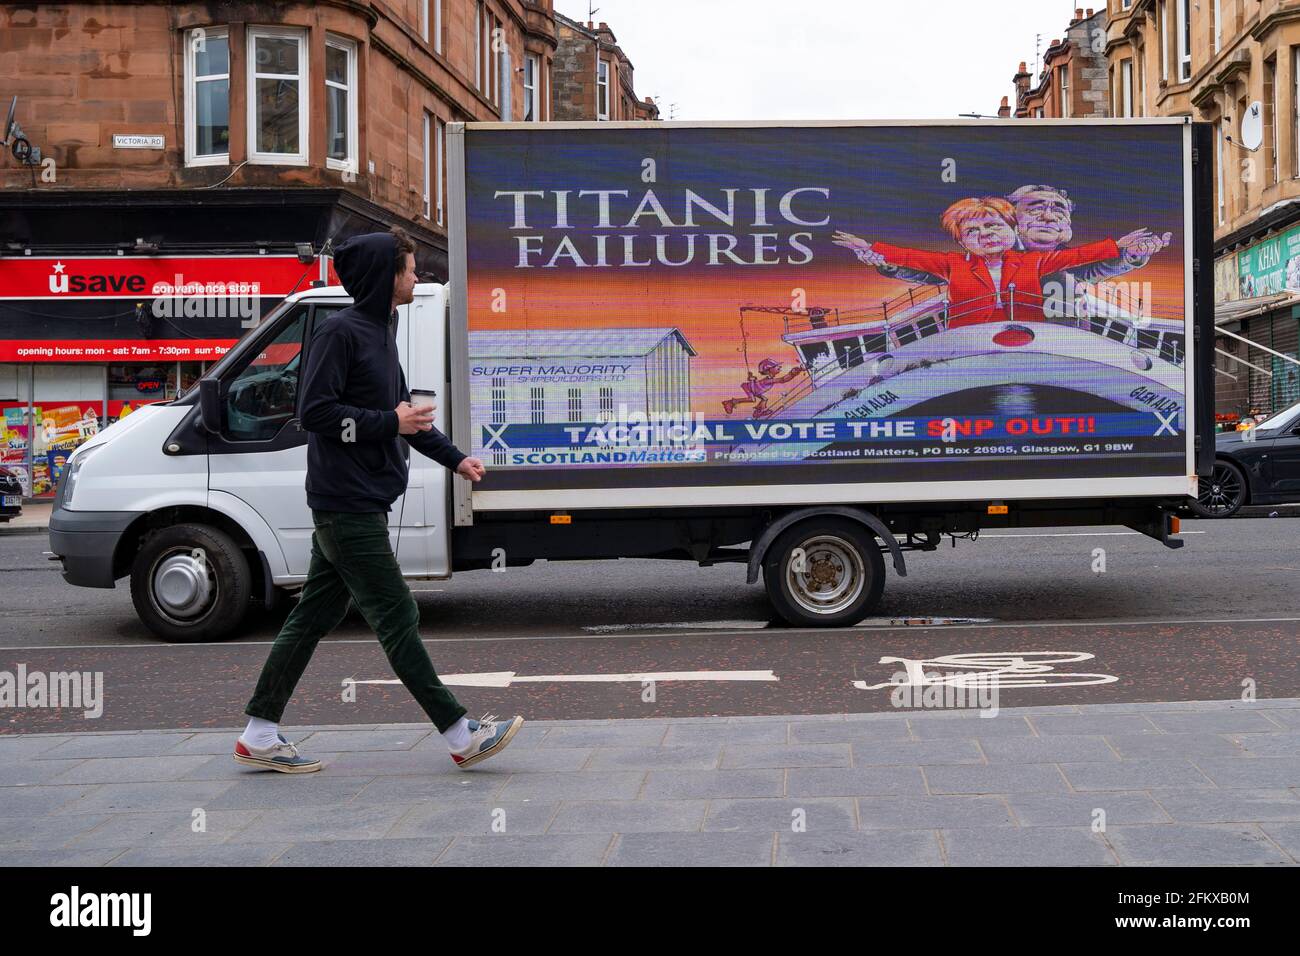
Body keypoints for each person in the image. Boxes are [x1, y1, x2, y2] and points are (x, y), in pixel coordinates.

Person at [234, 227, 522, 774]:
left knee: (312, 616)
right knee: (397, 612)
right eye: (410, 269)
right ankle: (460, 734)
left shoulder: (380, 330)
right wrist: (389, 421)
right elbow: (315, 413)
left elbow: (405, 415)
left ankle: (260, 731)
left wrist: (455, 458)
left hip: (361, 497)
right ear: (384, 277)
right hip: (346, 503)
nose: (417, 277)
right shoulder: (339, 334)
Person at [832, 197, 1161, 328]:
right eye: (972, 231)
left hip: (1037, 342)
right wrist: (874, 250)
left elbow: (1077, 257)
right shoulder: (952, 265)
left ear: (1011, 229)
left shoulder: (1034, 261)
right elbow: (912, 258)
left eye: (993, 226)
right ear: (961, 241)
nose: (984, 234)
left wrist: (1117, 246)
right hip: (968, 345)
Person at [874, 183, 1171, 289]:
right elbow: (929, 274)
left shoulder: (1066, 259)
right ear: (1012, 217)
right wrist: (889, 264)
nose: (1049, 215)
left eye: (1058, 209)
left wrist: (1132, 256)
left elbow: (1095, 269)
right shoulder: (983, 253)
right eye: (1037, 208)